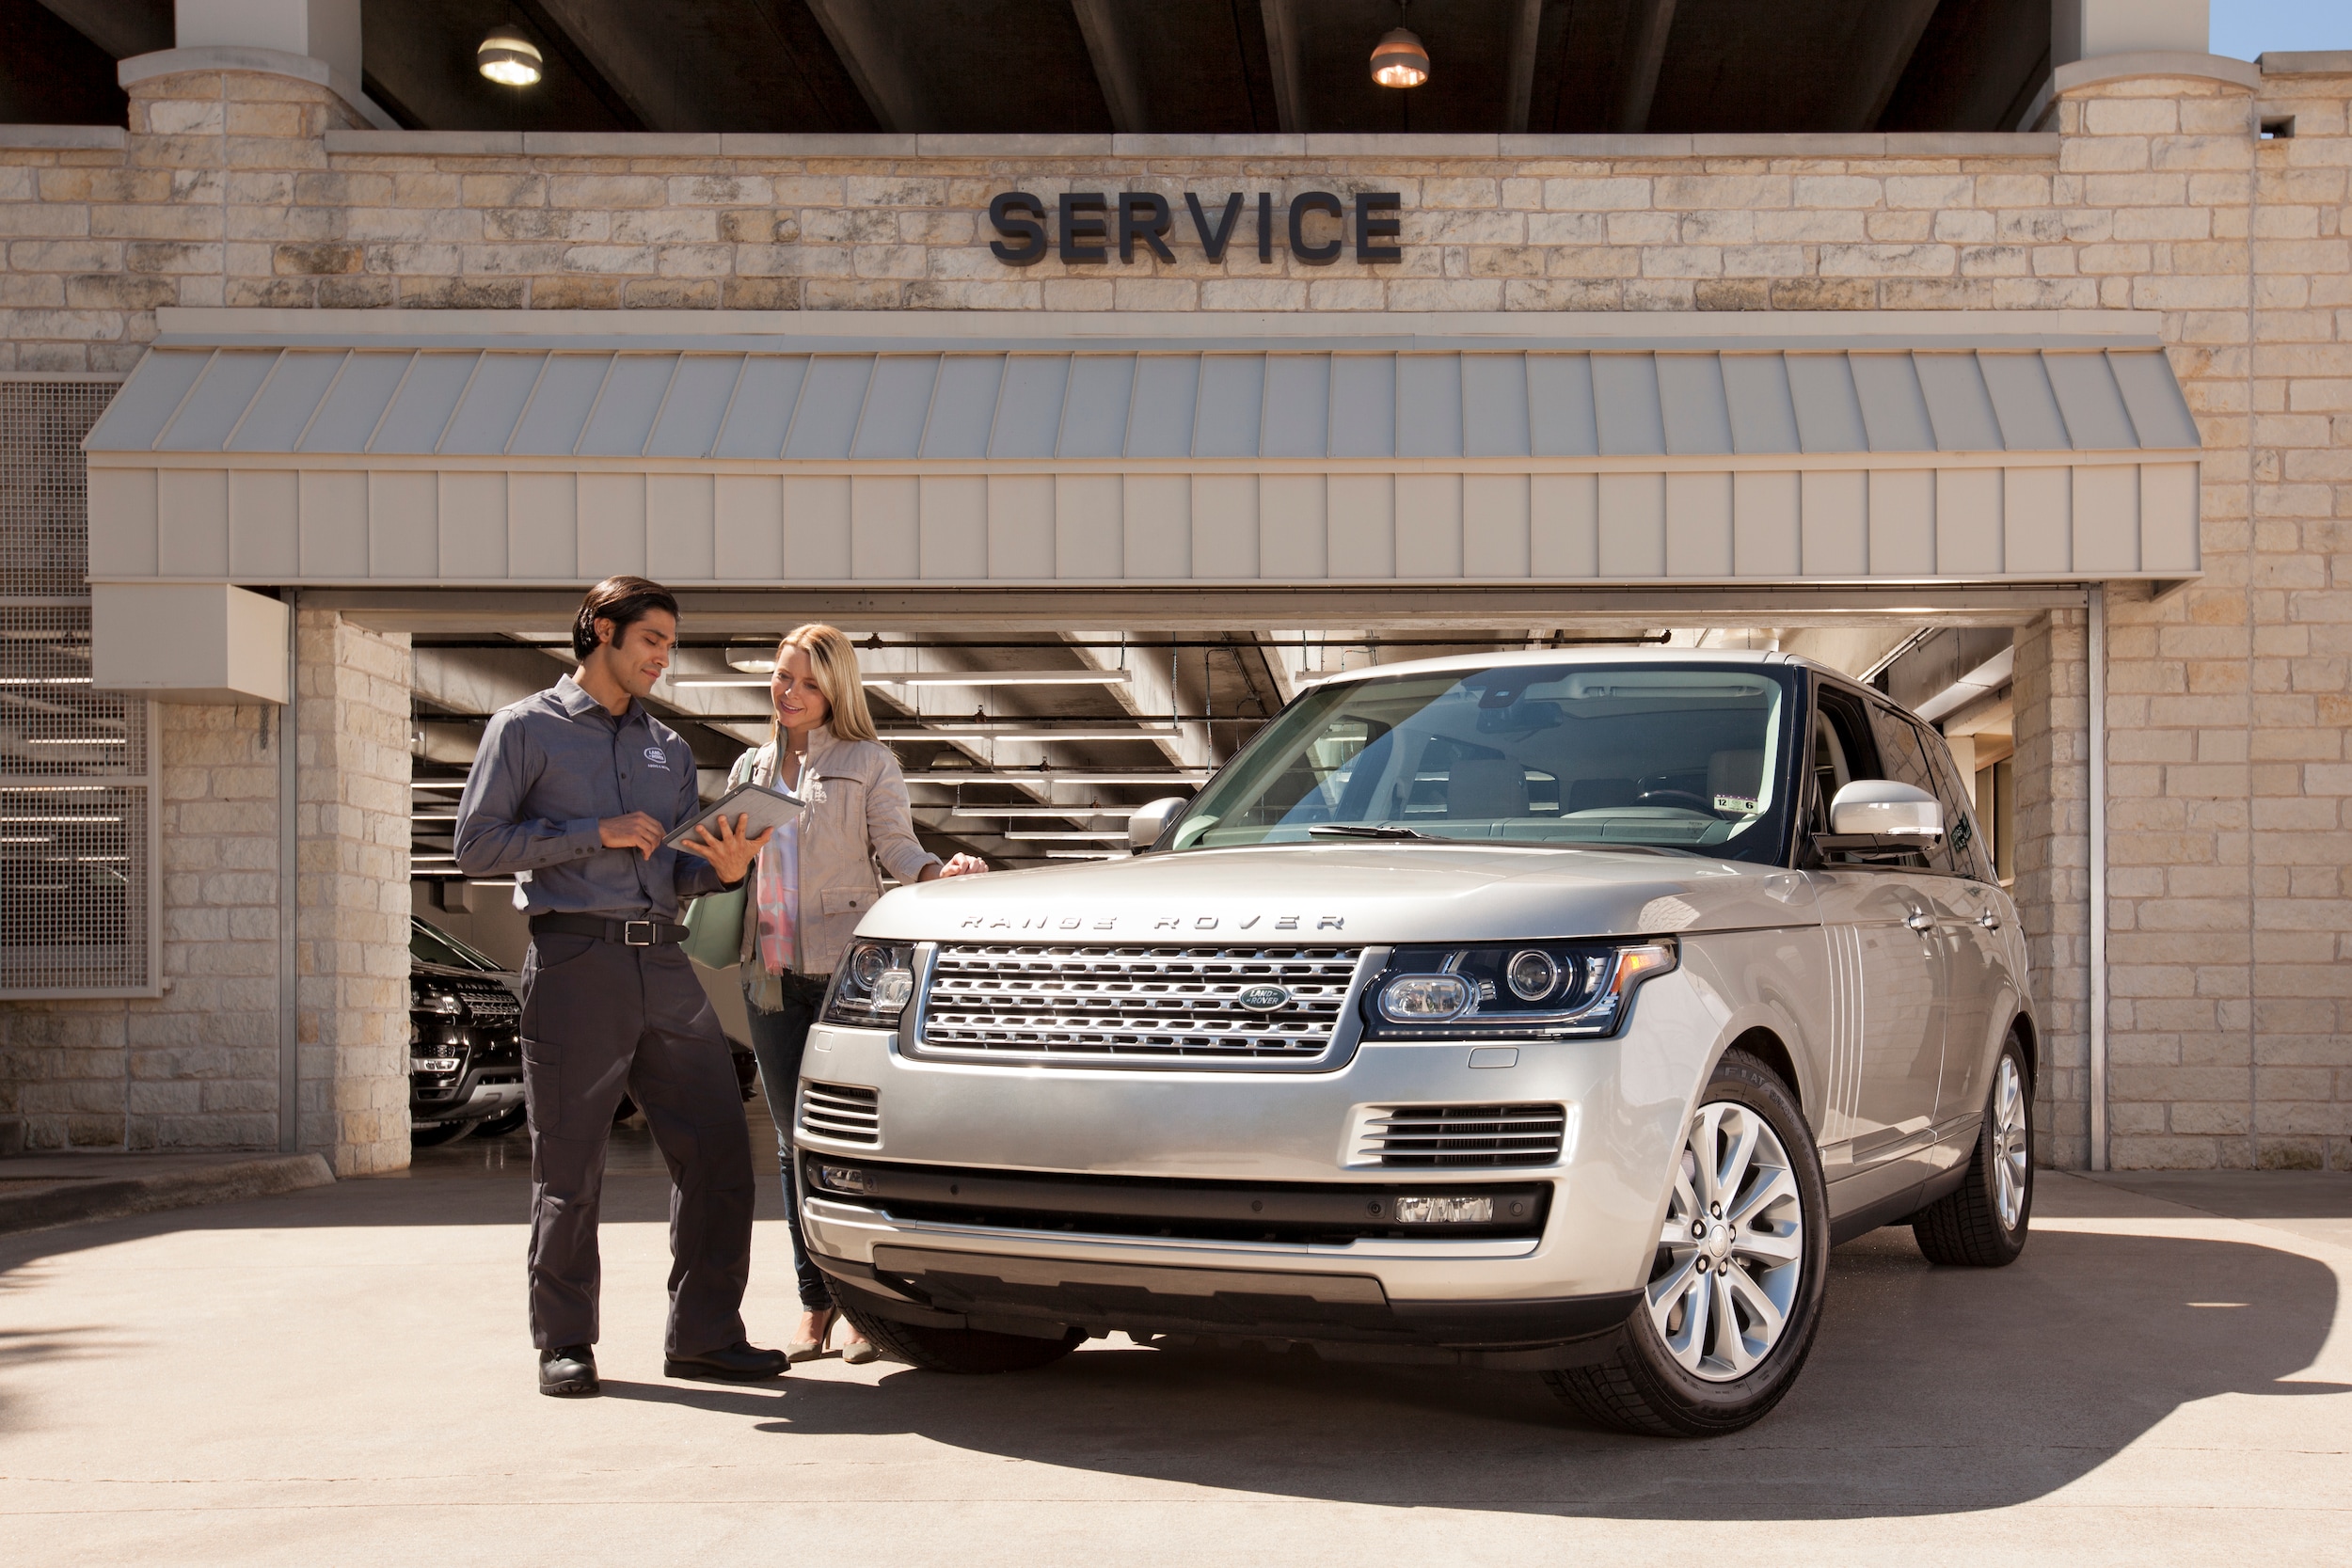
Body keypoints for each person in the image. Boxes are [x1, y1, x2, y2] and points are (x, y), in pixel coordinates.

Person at [453, 576, 785, 1399]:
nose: (663, 658)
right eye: (652, 640)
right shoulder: (523, 729)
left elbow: (670, 871)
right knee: (570, 1168)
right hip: (575, 964)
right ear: (602, 629)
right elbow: (476, 845)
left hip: (664, 966)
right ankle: (565, 1342)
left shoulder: (667, 751)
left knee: (717, 1151)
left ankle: (705, 1333)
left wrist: (723, 869)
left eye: (670, 645)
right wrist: (588, 832)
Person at [727, 625, 986, 1364]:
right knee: (791, 1142)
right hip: (769, 974)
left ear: (836, 690)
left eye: (808, 683)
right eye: (782, 678)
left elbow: (898, 849)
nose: (790, 693)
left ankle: (858, 1309)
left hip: (847, 976)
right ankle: (814, 1304)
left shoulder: (868, 761)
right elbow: (725, 860)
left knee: (848, 1139)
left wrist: (940, 871)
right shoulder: (751, 764)